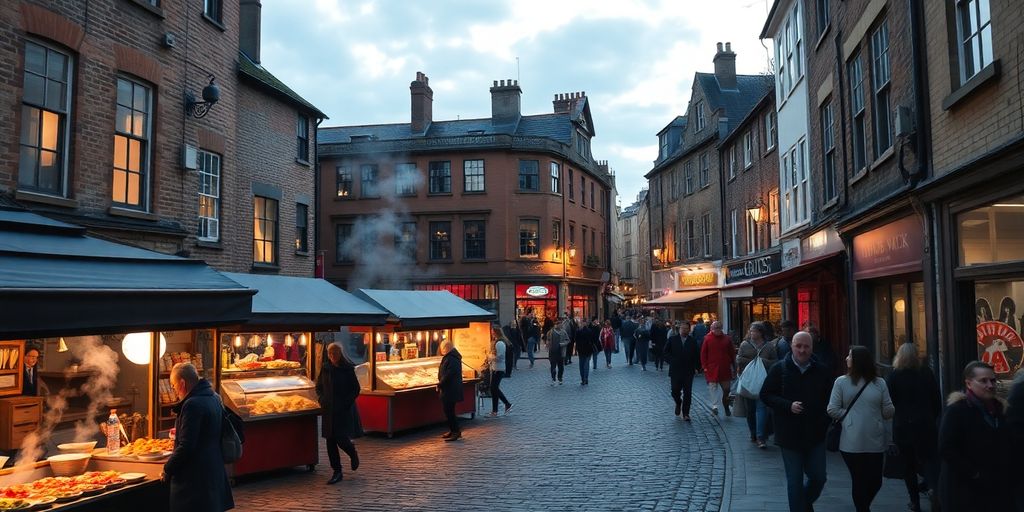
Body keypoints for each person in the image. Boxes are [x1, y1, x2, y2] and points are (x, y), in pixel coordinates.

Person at [760, 331, 832, 512]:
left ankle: (804, 504)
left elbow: (830, 400)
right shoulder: (779, 368)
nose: (802, 350)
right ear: (791, 346)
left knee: (819, 477)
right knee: (794, 480)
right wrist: (788, 405)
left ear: (812, 348)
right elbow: (766, 395)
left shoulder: (821, 370)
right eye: (798, 346)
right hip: (789, 434)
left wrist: (824, 421)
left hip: (815, 433)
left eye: (806, 346)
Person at [937, 361, 1014, 511]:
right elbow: (946, 448)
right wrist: (974, 473)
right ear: (969, 383)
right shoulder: (957, 411)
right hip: (964, 491)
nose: (990, 385)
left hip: (996, 491)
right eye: (983, 381)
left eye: (992, 380)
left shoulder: (1000, 410)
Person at [827, 345, 895, 512]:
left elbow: (888, 409)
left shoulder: (879, 383)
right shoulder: (841, 382)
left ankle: (863, 507)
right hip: (851, 440)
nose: (846, 358)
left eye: (850, 356)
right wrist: (849, 417)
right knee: (859, 480)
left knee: (876, 481)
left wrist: (887, 409)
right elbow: (832, 409)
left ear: (858, 360)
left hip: (875, 439)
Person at [161, 363, 233, 511]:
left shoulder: (192, 405)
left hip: (195, 480)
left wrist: (168, 468)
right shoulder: (214, 397)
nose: (174, 390)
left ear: (182, 383)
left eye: (174, 385)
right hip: (213, 471)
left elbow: (187, 445)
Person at [885, 342, 941, 512]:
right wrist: (931, 417)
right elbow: (936, 399)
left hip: (903, 425)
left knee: (908, 465)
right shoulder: (926, 373)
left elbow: (890, 401)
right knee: (929, 460)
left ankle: (914, 501)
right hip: (925, 424)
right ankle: (932, 489)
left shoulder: (894, 375)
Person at [316, 343, 361, 484]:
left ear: (340, 354)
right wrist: (322, 399)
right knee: (330, 441)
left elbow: (355, 389)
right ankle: (337, 471)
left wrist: (346, 403)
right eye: (330, 354)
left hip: (342, 410)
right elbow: (319, 387)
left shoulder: (347, 369)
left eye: (335, 353)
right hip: (328, 409)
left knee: (341, 438)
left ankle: (352, 452)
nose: (332, 356)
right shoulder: (326, 368)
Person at [736, 321, 778, 448]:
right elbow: (738, 359)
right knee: (750, 410)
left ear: (761, 332)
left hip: (763, 381)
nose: (751, 333)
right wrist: (753, 362)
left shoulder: (769, 346)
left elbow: (775, 362)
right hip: (749, 382)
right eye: (750, 331)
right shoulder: (745, 345)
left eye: (754, 331)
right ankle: (753, 433)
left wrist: (762, 362)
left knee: (761, 408)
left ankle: (761, 437)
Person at [665, 321, 700, 421]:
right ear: (679, 329)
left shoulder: (692, 341)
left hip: (688, 370)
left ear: (689, 330)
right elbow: (665, 352)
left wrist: (697, 367)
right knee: (675, 390)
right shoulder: (672, 339)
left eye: (686, 329)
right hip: (675, 370)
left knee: (687, 392)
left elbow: (697, 355)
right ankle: (678, 402)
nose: (684, 330)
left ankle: (686, 413)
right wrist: (671, 361)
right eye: (682, 328)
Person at [701, 321, 736, 416]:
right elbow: (703, 354)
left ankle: (725, 404)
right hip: (712, 368)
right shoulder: (707, 338)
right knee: (713, 387)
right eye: (715, 327)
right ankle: (715, 406)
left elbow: (732, 353)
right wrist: (704, 366)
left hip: (725, 367)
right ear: (712, 329)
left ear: (721, 328)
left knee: (727, 389)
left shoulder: (727, 339)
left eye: (719, 327)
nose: (717, 329)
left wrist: (734, 366)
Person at [437, 339, 464, 441]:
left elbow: (449, 374)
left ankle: (456, 431)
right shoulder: (451, 357)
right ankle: (453, 430)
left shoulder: (452, 358)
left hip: (450, 388)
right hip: (449, 388)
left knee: (449, 411)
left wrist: (441, 383)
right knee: (448, 410)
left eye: (442, 348)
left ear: (446, 348)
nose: (441, 350)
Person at [487, 331, 512, 417]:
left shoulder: (500, 343)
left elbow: (500, 357)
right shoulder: (498, 342)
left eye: (493, 332)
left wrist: (490, 357)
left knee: (494, 388)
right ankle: (496, 410)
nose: (492, 334)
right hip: (496, 368)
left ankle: (506, 404)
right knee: (494, 389)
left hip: (498, 369)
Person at [576, 318, 598, 385]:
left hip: (581, 350)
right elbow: (593, 340)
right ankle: (586, 378)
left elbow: (576, 340)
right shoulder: (590, 331)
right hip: (588, 350)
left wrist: (577, 349)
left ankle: (583, 379)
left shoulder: (578, 331)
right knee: (586, 365)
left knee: (582, 365)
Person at [547, 318, 569, 385]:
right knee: (553, 366)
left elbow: (568, 340)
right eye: (557, 324)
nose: (559, 325)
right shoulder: (550, 332)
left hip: (561, 352)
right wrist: (548, 344)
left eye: (560, 324)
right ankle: (553, 379)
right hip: (552, 352)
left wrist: (562, 344)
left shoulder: (563, 332)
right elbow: (547, 339)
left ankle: (560, 378)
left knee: (561, 367)